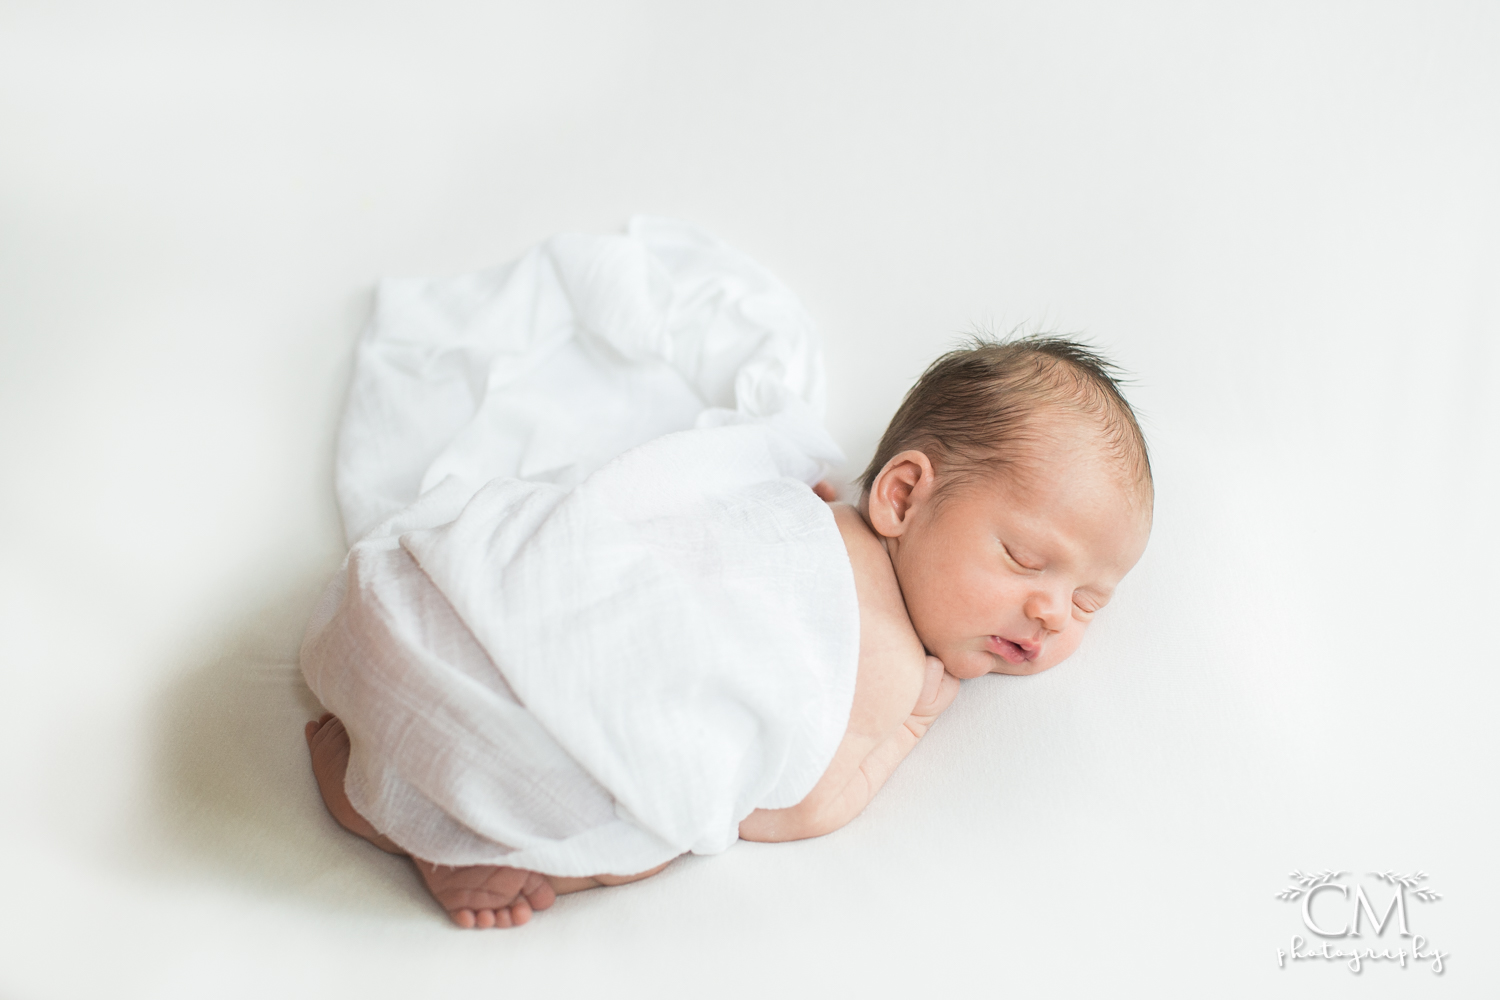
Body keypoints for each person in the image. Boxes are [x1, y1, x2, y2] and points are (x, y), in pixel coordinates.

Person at [303, 336, 1153, 929]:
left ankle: (369, 759)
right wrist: (907, 728)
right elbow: (791, 809)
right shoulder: (887, 658)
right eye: (1024, 557)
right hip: (548, 704)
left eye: (1088, 604)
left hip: (434, 602)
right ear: (899, 496)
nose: (1051, 611)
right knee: (663, 826)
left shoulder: (791, 497)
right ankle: (436, 826)